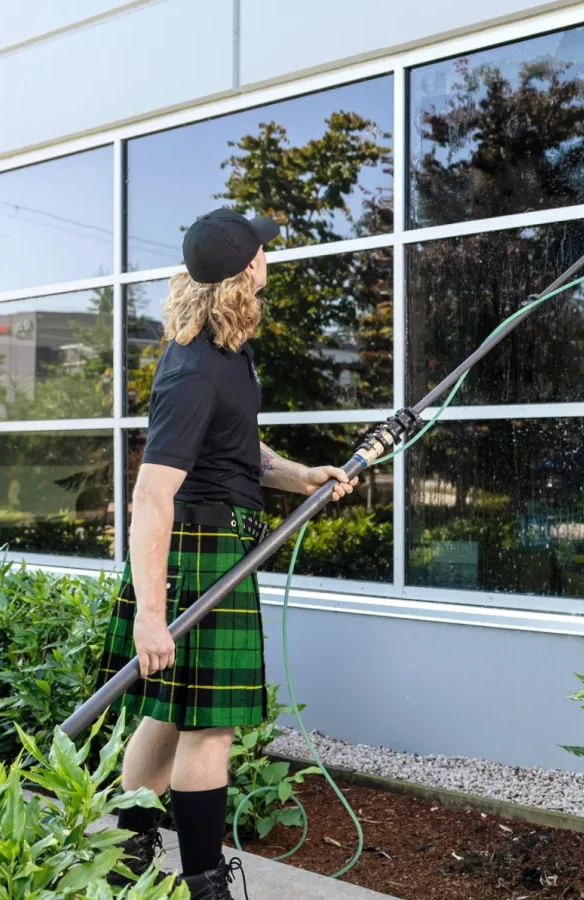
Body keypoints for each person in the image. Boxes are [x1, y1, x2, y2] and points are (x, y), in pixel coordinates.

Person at [97, 208, 356, 899]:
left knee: (167, 714)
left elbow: (239, 451)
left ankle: (126, 853)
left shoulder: (227, 352)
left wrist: (300, 476)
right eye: (263, 251)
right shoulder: (195, 372)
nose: (269, 257)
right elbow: (151, 497)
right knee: (210, 731)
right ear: (246, 270)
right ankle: (206, 883)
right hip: (195, 554)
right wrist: (152, 616)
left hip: (214, 545)